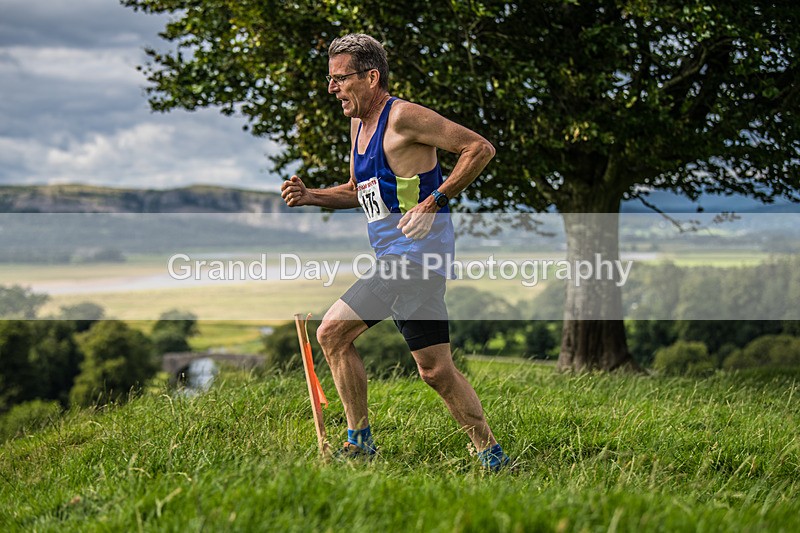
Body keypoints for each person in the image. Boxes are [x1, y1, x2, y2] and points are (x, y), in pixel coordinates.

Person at [281, 33, 509, 470]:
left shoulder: (403, 117)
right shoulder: (358, 126)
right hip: (400, 258)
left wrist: (434, 202)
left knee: (331, 333)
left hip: (416, 256)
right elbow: (359, 190)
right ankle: (493, 456)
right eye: (330, 79)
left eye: (340, 78)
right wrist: (312, 196)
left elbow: (479, 148)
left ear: (371, 77)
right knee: (435, 370)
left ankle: (360, 443)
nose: (332, 88)